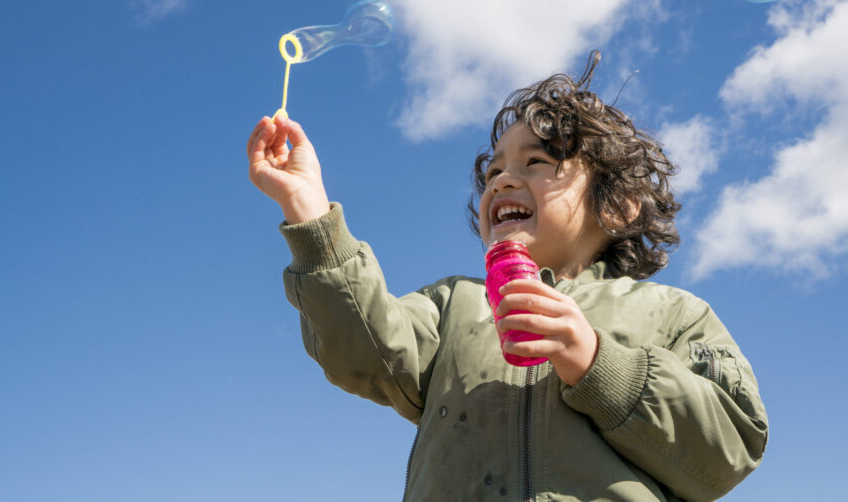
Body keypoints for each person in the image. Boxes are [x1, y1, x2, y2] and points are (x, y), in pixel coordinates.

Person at [247, 52, 768, 501]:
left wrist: (597, 363)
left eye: (536, 162)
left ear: (618, 208)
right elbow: (364, 346)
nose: (502, 181)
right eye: (493, 172)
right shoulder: (454, 306)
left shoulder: (674, 313)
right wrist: (310, 212)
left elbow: (729, 447)